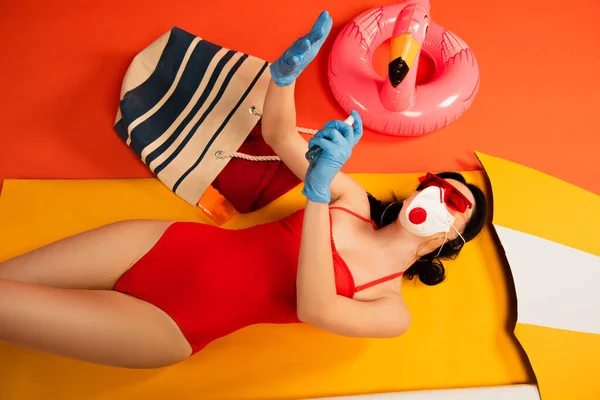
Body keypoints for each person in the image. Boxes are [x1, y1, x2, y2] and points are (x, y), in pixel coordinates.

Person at [0, 11, 487, 369]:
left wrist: (317, 197)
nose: (431, 197)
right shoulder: (354, 202)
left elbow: (315, 306)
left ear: (454, 238)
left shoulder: (391, 309)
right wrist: (282, 79)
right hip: (160, 243)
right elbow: (278, 135)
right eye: (432, 185)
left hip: (168, 326)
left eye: (453, 201)